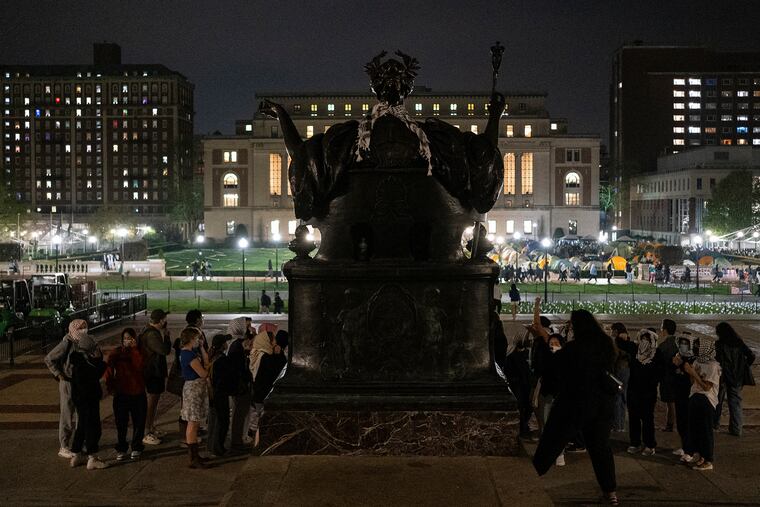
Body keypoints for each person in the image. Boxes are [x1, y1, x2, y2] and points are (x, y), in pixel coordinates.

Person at [531, 303, 618, 505]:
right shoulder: (606, 345)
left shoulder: (575, 348)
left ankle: (531, 476)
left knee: (552, 442)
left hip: (575, 403)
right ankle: (610, 492)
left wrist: (544, 338)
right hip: (602, 405)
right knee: (601, 450)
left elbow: (557, 361)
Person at [67, 319, 109, 470]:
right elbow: (94, 375)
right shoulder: (84, 363)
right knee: (93, 426)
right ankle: (92, 456)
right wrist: (101, 362)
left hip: (80, 398)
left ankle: (77, 453)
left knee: (82, 425)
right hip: (88, 397)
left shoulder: (77, 360)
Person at [676, 340, 721, 471]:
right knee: (695, 429)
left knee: (706, 431)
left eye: (697, 347)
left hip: (707, 400)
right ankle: (700, 455)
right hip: (694, 397)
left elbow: (707, 387)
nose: (695, 349)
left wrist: (693, 372)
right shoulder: (697, 362)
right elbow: (692, 382)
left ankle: (708, 460)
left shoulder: (713, 366)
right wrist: (691, 372)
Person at [104, 328, 147, 461]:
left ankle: (136, 446)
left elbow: (141, 366)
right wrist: (110, 387)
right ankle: (121, 448)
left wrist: (135, 349)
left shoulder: (140, 352)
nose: (128, 341)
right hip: (122, 393)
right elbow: (108, 371)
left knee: (139, 422)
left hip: (138, 392)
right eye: (126, 338)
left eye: (130, 338)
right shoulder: (116, 353)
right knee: (121, 423)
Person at [44, 321, 82, 459]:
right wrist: (59, 374)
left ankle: (78, 442)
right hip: (68, 382)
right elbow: (49, 358)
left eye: (85, 328)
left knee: (80, 413)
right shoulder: (67, 343)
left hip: (79, 382)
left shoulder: (81, 342)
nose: (83, 330)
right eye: (80, 328)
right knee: (67, 413)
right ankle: (64, 445)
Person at [624, 329, 662, 456]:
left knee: (647, 418)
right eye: (643, 339)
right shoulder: (635, 351)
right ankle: (635, 442)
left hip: (648, 392)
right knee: (633, 417)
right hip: (633, 390)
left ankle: (650, 444)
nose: (645, 342)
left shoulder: (657, 354)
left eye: (647, 339)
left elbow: (660, 372)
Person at [714, 322, 756, 436]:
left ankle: (715, 424)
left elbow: (716, 360)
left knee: (717, 401)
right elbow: (751, 356)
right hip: (736, 377)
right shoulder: (738, 342)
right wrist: (742, 367)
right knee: (735, 403)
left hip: (722, 376)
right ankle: (736, 429)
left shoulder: (719, 344)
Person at [249, 330, 288, 446]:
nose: (274, 342)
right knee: (261, 422)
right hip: (262, 394)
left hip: (258, 393)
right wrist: (279, 355)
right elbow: (275, 372)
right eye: (273, 340)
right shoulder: (265, 357)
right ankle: (257, 446)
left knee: (258, 421)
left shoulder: (261, 353)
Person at [533, 331, 566, 466]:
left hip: (560, 397)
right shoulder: (545, 357)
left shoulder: (566, 359)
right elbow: (540, 370)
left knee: (559, 426)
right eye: (551, 344)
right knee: (545, 425)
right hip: (546, 395)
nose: (553, 346)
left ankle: (559, 453)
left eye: (556, 344)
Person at [140, 309, 172, 445]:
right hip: (152, 372)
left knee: (155, 400)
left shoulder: (150, 331)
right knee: (152, 401)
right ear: (160, 321)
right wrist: (167, 337)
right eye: (164, 319)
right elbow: (164, 350)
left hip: (154, 370)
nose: (166, 322)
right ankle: (146, 431)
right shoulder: (152, 334)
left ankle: (150, 427)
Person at [178, 327, 210, 468]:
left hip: (196, 389)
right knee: (193, 422)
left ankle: (195, 455)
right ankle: (193, 458)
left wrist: (202, 348)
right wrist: (208, 368)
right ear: (192, 339)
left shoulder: (191, 352)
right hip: (193, 390)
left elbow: (205, 361)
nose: (199, 340)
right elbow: (203, 373)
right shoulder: (188, 355)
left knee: (195, 422)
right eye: (197, 338)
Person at [227, 316, 254, 451]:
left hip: (239, 383)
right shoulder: (235, 344)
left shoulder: (236, 343)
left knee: (240, 412)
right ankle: (236, 441)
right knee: (239, 413)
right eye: (247, 326)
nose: (249, 329)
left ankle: (237, 439)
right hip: (239, 384)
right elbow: (238, 366)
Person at [207, 334, 236, 457]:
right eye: (225, 342)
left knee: (214, 420)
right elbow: (225, 378)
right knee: (222, 421)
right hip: (220, 393)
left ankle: (212, 446)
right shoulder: (222, 359)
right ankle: (218, 448)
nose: (227, 344)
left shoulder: (212, 356)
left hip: (213, 393)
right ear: (223, 344)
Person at [656, 319, 678, 433]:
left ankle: (670, 425)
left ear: (665, 330)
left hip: (668, 377)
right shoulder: (678, 343)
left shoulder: (663, 346)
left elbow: (659, 364)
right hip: (678, 377)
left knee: (671, 403)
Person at [610, 323, 631, 433]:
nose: (611, 332)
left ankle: (617, 425)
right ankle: (621, 425)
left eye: (612, 330)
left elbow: (616, 355)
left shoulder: (618, 341)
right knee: (623, 397)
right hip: (627, 370)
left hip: (619, 369)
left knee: (617, 397)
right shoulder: (627, 339)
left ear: (616, 331)